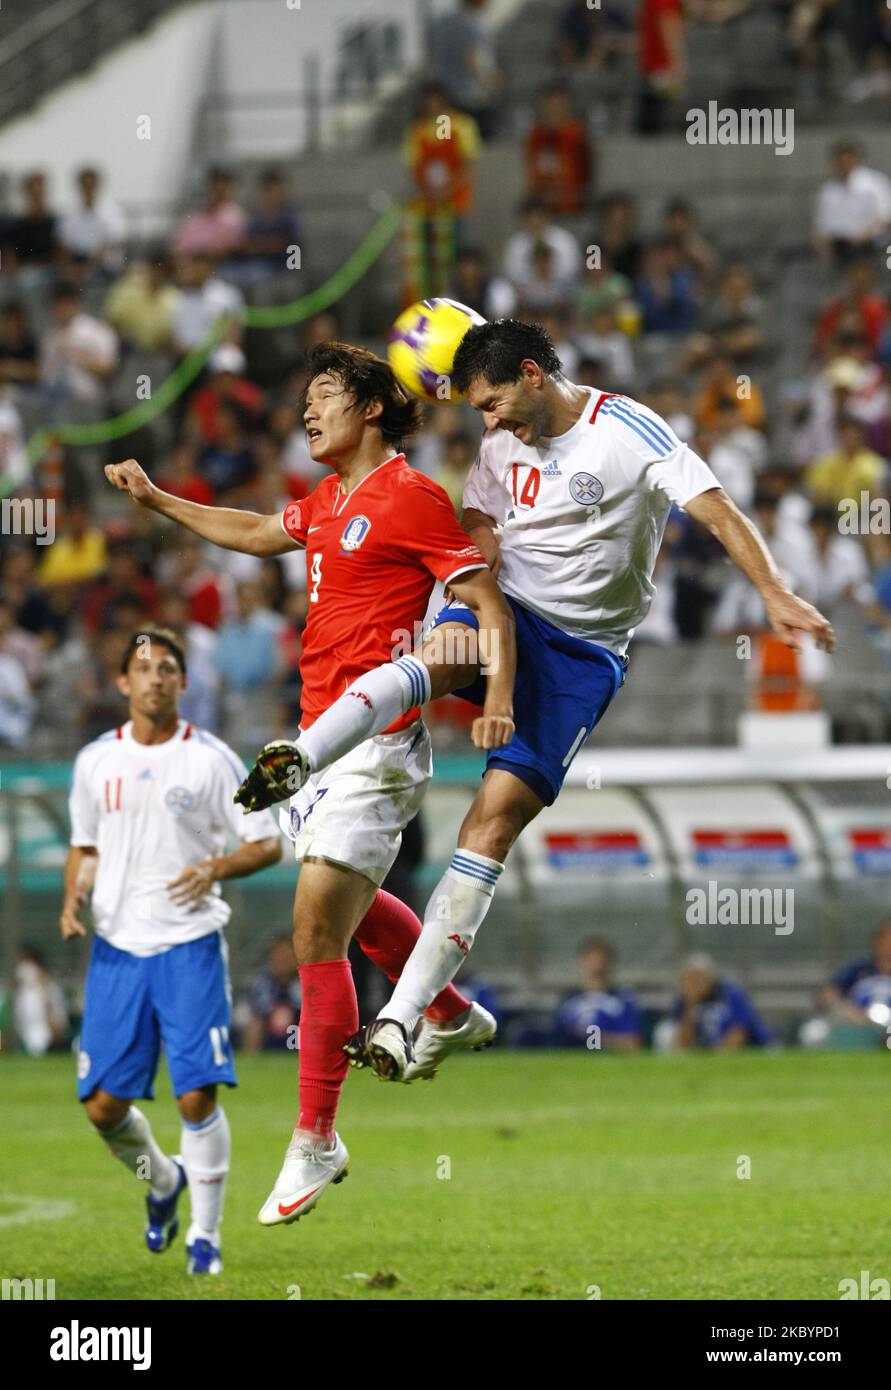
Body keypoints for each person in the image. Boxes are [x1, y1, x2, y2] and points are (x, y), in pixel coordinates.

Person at [258, 318, 832, 1083]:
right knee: (443, 653)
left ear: (532, 374)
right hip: (509, 604)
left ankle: (407, 1017)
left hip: (582, 656)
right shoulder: (499, 443)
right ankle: (301, 755)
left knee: (490, 821)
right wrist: (473, 565)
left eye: (492, 403)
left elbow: (716, 508)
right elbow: (478, 524)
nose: (484, 422)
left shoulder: (626, 431)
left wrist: (773, 591)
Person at [103, 341, 516, 1226]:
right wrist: (157, 498)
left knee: (311, 923)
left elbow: (481, 598)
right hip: (314, 747)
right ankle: (444, 1007)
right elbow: (256, 533)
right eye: (304, 397)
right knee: (354, 916)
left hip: (377, 739)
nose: (306, 410)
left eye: (323, 394)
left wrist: (499, 695)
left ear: (371, 407)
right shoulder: (329, 501)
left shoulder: (410, 496)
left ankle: (315, 1137)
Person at [60, 627, 282, 1274]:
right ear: (123, 683)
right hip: (117, 948)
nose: (156, 677)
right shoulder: (94, 761)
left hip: (188, 944)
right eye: (143, 667)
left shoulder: (212, 759)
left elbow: (265, 842)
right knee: (102, 1105)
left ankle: (204, 1242)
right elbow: (84, 841)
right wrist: (71, 896)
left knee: (196, 1096)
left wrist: (215, 867)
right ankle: (163, 1182)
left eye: (167, 668)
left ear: (184, 683)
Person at [667, 955, 772, 1050]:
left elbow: (738, 1033)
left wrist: (716, 1055)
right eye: (688, 979)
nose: (693, 984)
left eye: (698, 978)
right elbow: (683, 1044)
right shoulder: (683, 1002)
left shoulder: (730, 994)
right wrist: (690, 1005)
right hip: (708, 1054)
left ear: (709, 977)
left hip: (751, 1049)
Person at [552, 940, 642, 1050]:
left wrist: (588, 1040)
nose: (596, 965)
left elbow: (633, 1041)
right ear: (582, 961)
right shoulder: (569, 1000)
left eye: (601, 959)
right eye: (591, 959)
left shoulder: (622, 1001)